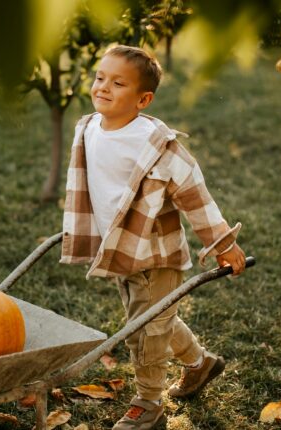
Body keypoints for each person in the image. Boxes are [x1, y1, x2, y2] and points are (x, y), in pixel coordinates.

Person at [59, 45, 246, 430]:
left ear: (143, 99)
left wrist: (223, 243)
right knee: (158, 318)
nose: (104, 87)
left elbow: (194, 193)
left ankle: (148, 402)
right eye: (100, 78)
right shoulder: (90, 128)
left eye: (118, 83)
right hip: (122, 251)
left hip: (156, 254)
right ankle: (200, 364)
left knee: (145, 330)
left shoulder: (154, 143)